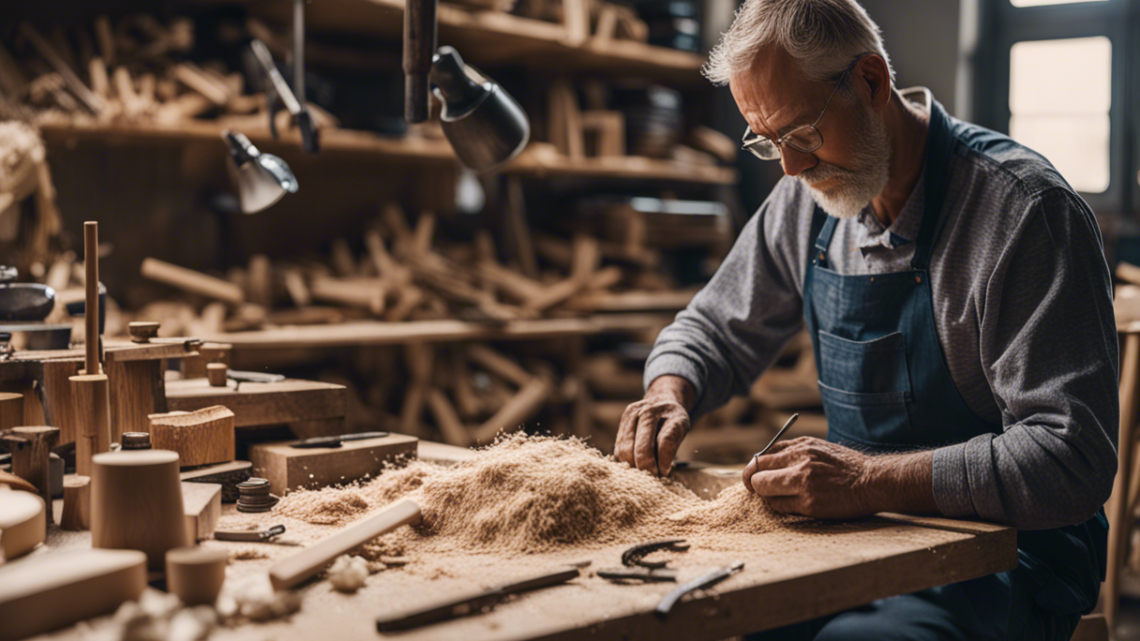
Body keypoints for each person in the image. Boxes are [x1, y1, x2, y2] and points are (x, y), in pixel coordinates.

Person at [614, 0, 1119, 638]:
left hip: (1007, 555)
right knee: (711, 615)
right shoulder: (810, 199)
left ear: (871, 82)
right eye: (767, 143)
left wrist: (867, 481)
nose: (792, 168)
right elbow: (712, 328)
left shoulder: (1023, 213)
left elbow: (1070, 459)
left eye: (799, 134)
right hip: (859, 537)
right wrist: (669, 390)